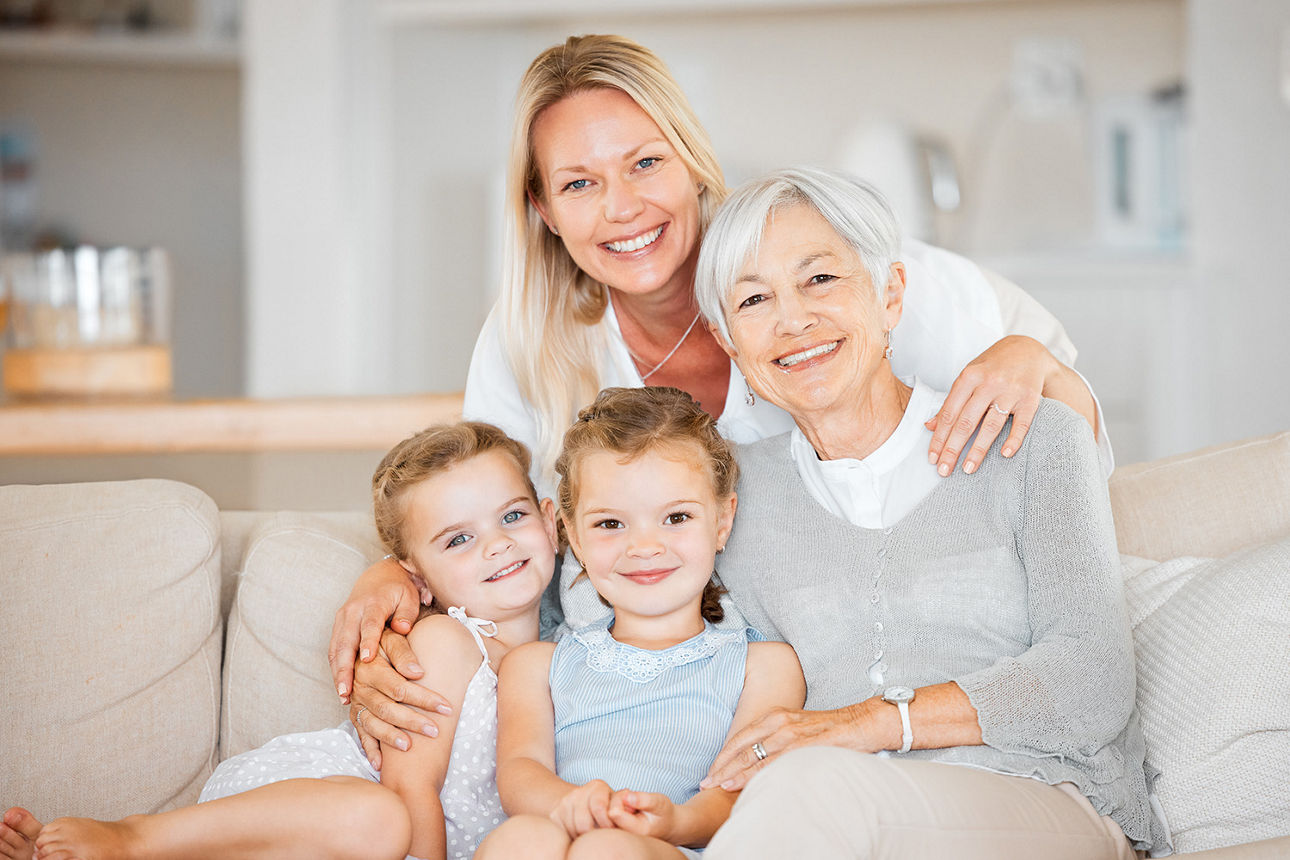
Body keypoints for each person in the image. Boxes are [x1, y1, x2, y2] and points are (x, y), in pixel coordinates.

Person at [329, 33, 1109, 762]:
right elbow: (480, 520)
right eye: (579, 184)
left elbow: (1071, 456)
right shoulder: (527, 341)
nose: (621, 208)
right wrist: (398, 577)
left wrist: (1030, 357)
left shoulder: (840, 267)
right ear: (545, 211)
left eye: (645, 163)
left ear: (694, 162)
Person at [682, 167, 1164, 857]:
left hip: (1044, 800)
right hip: (834, 825)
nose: (793, 320)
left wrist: (866, 723)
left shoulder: (1034, 440)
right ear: (729, 339)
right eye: (755, 299)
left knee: (810, 784)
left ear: (890, 295)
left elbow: (1092, 679)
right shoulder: (730, 495)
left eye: (821, 279)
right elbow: (617, 616)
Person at [0, 422, 560, 860]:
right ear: (414, 575)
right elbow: (410, 789)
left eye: (512, 516)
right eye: (459, 539)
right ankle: (135, 839)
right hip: (324, 813)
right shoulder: (448, 643)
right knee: (379, 818)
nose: (497, 545)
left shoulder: (567, 653)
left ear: (551, 522)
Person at [474, 386, 805, 860]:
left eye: (676, 517)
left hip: (678, 845)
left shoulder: (764, 666)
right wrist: (573, 805)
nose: (645, 547)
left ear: (722, 521)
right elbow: (520, 769)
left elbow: (742, 790)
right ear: (574, 536)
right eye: (610, 524)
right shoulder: (536, 665)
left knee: (607, 850)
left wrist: (675, 822)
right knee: (520, 839)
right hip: (560, 829)